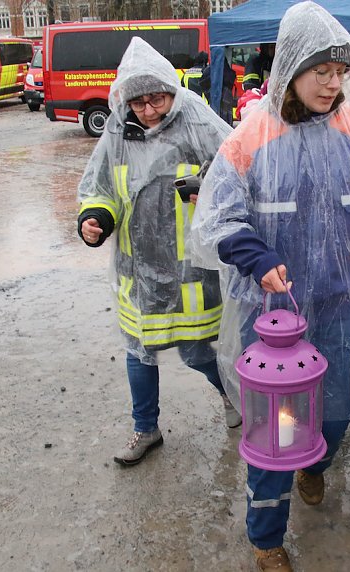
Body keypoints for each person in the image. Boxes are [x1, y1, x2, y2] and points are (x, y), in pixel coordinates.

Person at [188, 3, 350, 569]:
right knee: (274, 435)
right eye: (322, 71)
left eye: (341, 72)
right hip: (271, 320)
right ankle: (266, 537)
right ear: (291, 67)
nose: (334, 82)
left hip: (342, 307)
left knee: (336, 415)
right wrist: (257, 255)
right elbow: (216, 221)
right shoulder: (249, 138)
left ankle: (316, 465)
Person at [76, 38, 237, 467]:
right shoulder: (116, 131)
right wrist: (95, 220)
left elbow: (237, 166)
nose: (148, 111)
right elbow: (102, 188)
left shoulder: (196, 122)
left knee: (198, 349)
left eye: (157, 99)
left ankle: (232, 395)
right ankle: (145, 429)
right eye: (139, 102)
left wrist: (205, 186)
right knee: (138, 350)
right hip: (137, 268)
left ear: (173, 92)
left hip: (190, 268)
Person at [200, 56, 237, 124]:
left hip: (215, 98)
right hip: (226, 98)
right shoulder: (228, 71)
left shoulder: (210, 70)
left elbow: (203, 83)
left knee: (217, 119)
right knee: (226, 118)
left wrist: (209, 95)